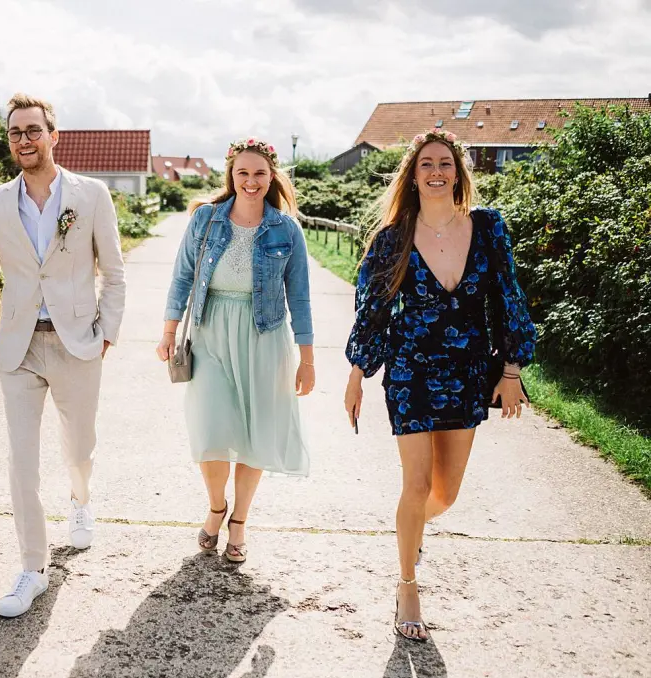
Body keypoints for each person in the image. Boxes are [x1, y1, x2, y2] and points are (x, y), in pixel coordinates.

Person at [343, 129, 537, 641]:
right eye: (426, 164)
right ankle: (408, 585)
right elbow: (372, 311)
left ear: (458, 171)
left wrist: (512, 370)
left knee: (445, 495)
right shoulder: (393, 239)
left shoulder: (489, 228)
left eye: (445, 163)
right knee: (416, 484)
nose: (436, 172)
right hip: (411, 369)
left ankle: (415, 531)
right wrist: (358, 375)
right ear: (413, 175)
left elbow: (509, 299)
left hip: (469, 370)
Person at [0, 93, 126, 618]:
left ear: (53, 135)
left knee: (80, 448)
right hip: (20, 346)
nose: (23, 139)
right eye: (15, 133)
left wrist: (106, 333)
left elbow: (114, 273)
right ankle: (32, 567)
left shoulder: (91, 195)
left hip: (77, 344)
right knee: (21, 460)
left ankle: (80, 499)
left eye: (32, 130)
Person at [156, 137, 314, 563]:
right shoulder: (206, 219)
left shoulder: (286, 229)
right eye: (242, 172)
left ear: (271, 177)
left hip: (265, 337)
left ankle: (239, 522)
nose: (250, 181)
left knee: (254, 433)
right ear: (231, 175)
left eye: (259, 173)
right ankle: (216, 507)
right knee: (210, 428)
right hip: (210, 332)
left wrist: (308, 358)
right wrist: (169, 331)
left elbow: (299, 296)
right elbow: (182, 277)